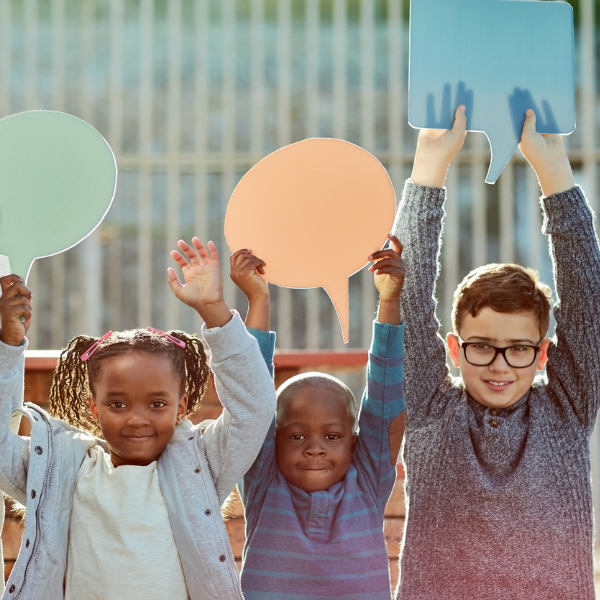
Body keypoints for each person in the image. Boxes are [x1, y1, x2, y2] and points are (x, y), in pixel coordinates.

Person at [394, 106, 600, 599]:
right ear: (454, 348)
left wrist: (554, 172)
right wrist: (428, 169)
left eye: (519, 350)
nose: (501, 366)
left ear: (544, 354)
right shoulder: (429, 410)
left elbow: (586, 295)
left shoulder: (567, 409)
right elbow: (408, 295)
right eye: (483, 347)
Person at [0, 237, 276, 600]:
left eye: (157, 404)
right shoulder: (61, 468)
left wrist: (216, 312)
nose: (137, 419)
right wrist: (7, 346)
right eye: (117, 404)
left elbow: (254, 409)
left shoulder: (201, 466)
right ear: (93, 408)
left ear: (182, 407)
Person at [229, 238, 407, 600]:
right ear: (273, 440)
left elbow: (386, 400)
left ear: (355, 441)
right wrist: (258, 300)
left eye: (332, 436)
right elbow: (251, 398)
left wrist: (389, 301)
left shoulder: (368, 480)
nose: (314, 449)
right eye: (296, 436)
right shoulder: (264, 483)